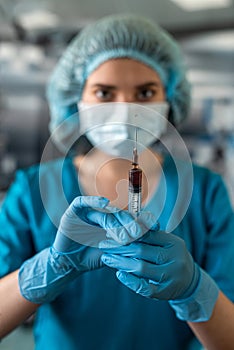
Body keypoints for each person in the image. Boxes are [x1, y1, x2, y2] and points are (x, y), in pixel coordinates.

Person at [0, 13, 234, 350]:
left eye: (145, 92)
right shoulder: (33, 191)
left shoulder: (205, 193)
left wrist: (194, 289)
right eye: (105, 92)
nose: (126, 109)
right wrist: (49, 269)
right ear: (76, 101)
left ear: (169, 101)